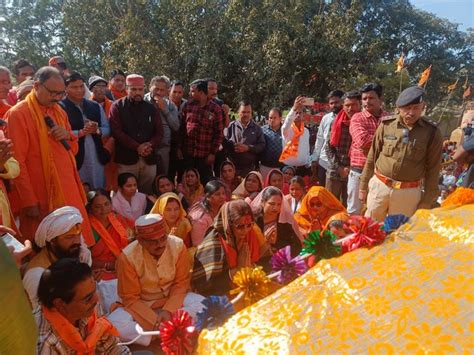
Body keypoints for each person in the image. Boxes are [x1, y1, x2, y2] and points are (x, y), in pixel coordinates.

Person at [5, 66, 93, 244]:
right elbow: (17, 161)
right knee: (45, 245)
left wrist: (67, 135)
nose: (57, 98)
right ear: (37, 86)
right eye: (53, 93)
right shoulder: (18, 114)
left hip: (68, 189)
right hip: (41, 193)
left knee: (76, 239)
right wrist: (29, 200)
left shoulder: (59, 112)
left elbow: (72, 150)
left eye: (61, 94)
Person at [109, 214, 204, 346]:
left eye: (162, 238)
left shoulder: (177, 246)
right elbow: (130, 298)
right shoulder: (127, 257)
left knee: (204, 305)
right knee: (114, 324)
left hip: (173, 301)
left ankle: (159, 334)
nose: (160, 244)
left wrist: (168, 311)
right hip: (142, 306)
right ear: (140, 240)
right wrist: (154, 322)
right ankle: (170, 331)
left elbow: (181, 283)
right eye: (153, 241)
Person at [360, 86, 443, 221]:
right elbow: (372, 157)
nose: (411, 112)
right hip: (380, 187)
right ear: (399, 108)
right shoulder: (387, 125)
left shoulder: (432, 132)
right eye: (406, 108)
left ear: (423, 106)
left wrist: (427, 200)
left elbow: (434, 169)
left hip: (408, 194)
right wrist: (363, 186)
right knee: (371, 227)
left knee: (398, 234)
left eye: (416, 107)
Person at [36, 259, 130, 354]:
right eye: (88, 298)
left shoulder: (89, 308)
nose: (96, 299)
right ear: (60, 304)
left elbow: (112, 347)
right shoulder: (46, 343)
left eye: (94, 291)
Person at [192, 200, 268, 296]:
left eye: (249, 225)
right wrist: (237, 270)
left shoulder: (250, 234)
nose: (245, 230)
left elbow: (262, 261)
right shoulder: (213, 243)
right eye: (240, 226)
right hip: (220, 298)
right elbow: (205, 285)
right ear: (228, 224)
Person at [23, 206, 92, 309]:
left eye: (79, 235)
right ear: (52, 241)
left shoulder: (77, 253)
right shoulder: (36, 275)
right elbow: (45, 316)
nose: (77, 241)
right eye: (69, 237)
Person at [110, 74, 163, 194]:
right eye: (133, 89)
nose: (137, 92)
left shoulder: (151, 108)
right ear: (126, 89)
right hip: (126, 159)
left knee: (147, 193)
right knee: (125, 192)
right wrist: (137, 147)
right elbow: (117, 132)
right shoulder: (117, 107)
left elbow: (159, 132)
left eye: (140, 89)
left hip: (148, 158)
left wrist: (149, 145)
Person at [61, 72, 111, 189]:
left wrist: (96, 130)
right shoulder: (60, 107)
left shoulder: (94, 105)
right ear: (65, 89)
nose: (79, 90)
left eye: (81, 86)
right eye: (74, 87)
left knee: (99, 189)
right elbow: (61, 133)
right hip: (75, 157)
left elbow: (107, 129)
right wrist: (81, 132)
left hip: (96, 156)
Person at [348, 83, 389, 215]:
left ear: (380, 99)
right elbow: (362, 141)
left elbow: (398, 142)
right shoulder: (357, 118)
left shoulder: (390, 119)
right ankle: (354, 236)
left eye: (371, 98)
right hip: (359, 172)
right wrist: (388, 139)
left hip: (382, 174)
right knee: (355, 211)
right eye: (364, 98)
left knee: (377, 212)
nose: (367, 102)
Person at [178, 79, 224, 184]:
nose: (189, 93)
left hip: (205, 156)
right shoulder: (187, 106)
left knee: (204, 183)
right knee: (185, 183)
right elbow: (182, 129)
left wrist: (213, 153)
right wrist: (179, 148)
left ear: (201, 92)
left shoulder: (215, 109)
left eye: (192, 91)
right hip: (188, 155)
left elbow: (219, 133)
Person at [251, 187, 302, 268]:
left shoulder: (284, 221)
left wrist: (275, 245)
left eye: (279, 204)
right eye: (271, 204)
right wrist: (264, 241)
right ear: (262, 202)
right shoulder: (253, 221)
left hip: (278, 264)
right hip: (255, 264)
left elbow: (296, 247)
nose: (275, 208)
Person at [325, 91, 361, 205]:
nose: (350, 109)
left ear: (360, 105)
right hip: (334, 172)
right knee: (329, 206)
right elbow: (328, 148)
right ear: (343, 105)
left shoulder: (364, 123)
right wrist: (340, 168)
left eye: (353, 105)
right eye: (347, 105)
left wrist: (350, 168)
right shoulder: (336, 122)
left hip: (355, 173)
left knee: (350, 208)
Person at [87, 190, 131, 281]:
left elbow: (132, 237)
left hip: (124, 264)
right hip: (100, 270)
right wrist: (109, 265)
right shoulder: (87, 227)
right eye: (98, 207)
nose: (103, 210)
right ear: (90, 208)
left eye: (106, 204)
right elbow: (85, 259)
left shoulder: (118, 218)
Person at [144, 75, 180, 176]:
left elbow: (176, 126)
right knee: (147, 179)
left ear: (167, 91)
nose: (159, 92)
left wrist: (165, 109)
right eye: (156, 89)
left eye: (162, 90)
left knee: (162, 177)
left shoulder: (170, 105)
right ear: (150, 87)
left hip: (163, 148)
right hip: (146, 147)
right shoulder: (143, 101)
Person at [89, 75, 117, 191]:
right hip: (94, 146)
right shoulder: (86, 105)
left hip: (112, 146)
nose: (101, 89)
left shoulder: (113, 105)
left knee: (112, 176)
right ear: (91, 89)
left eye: (103, 86)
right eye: (97, 86)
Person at [311, 90, 344, 187]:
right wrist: (314, 158)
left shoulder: (349, 118)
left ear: (343, 101)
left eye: (336, 102)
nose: (334, 105)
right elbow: (320, 138)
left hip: (340, 165)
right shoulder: (326, 118)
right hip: (324, 162)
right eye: (331, 103)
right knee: (323, 193)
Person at [224, 100, 265, 176]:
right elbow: (224, 143)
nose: (246, 114)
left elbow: (261, 146)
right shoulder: (231, 126)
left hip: (250, 169)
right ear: (238, 112)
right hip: (232, 170)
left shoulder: (257, 128)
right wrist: (233, 146)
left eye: (248, 112)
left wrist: (248, 148)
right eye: (243, 112)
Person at [188, 180, 227, 246]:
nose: (222, 197)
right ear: (208, 196)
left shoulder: (224, 207)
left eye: (223, 193)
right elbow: (197, 244)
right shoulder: (200, 217)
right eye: (217, 194)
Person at [280, 96, 312, 177]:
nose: (297, 115)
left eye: (300, 113)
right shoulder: (286, 129)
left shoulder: (306, 131)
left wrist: (308, 163)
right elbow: (287, 122)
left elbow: (306, 149)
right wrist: (294, 108)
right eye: (296, 113)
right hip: (288, 169)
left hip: (303, 169)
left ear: (303, 115)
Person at [168, 80, 187, 182]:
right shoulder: (164, 104)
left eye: (179, 92)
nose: (177, 95)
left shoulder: (187, 105)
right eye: (174, 92)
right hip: (167, 143)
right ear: (169, 91)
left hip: (183, 144)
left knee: (182, 173)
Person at [260, 108, 284, 180]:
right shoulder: (262, 130)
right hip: (265, 166)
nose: (272, 120)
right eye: (270, 118)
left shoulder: (285, 130)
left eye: (274, 118)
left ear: (280, 118)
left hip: (281, 167)